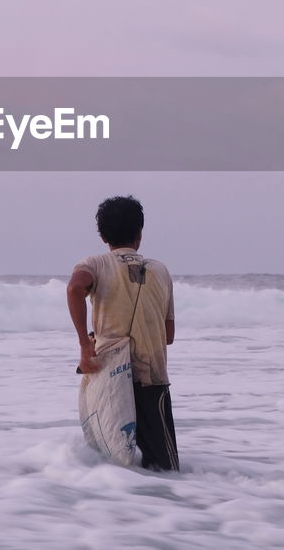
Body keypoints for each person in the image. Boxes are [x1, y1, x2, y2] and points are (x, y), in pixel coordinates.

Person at [66, 195, 178, 471]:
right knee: (165, 470)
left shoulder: (95, 264)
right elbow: (168, 335)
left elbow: (74, 288)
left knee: (113, 462)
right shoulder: (161, 271)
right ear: (140, 234)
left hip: (110, 376)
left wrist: (85, 344)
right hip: (152, 381)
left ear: (103, 236)